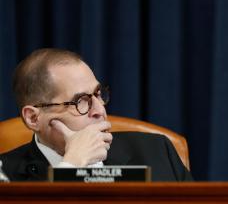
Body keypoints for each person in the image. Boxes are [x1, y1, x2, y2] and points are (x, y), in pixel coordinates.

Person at [0, 48, 193, 181]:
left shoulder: (157, 152)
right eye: (80, 101)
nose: (100, 110)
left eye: (98, 94)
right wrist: (71, 166)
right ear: (34, 118)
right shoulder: (5, 174)